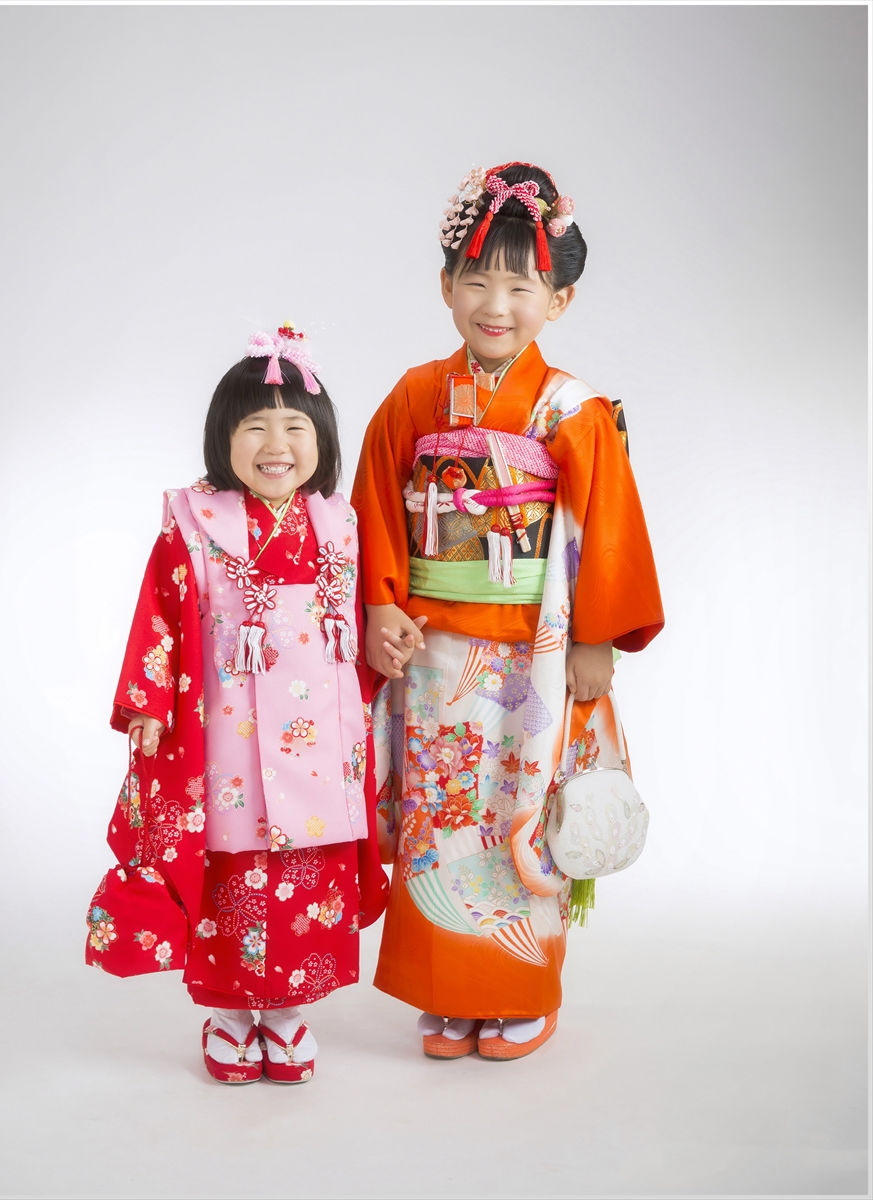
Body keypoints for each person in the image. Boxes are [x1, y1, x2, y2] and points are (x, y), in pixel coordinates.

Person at [351, 162, 664, 1061]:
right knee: (439, 818)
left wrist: (596, 638)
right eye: (476, 280)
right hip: (435, 652)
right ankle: (447, 993)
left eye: (521, 286)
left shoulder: (571, 408)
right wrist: (380, 604)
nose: (496, 304)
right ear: (445, 285)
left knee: (519, 809)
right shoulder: (415, 394)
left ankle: (518, 989)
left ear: (557, 300)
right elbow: (375, 505)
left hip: (533, 648)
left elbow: (605, 524)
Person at [85, 325, 388, 1084]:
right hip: (228, 736)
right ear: (223, 438)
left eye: (295, 428)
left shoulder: (340, 523)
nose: (276, 445)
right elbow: (159, 612)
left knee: (308, 867)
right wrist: (147, 701)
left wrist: (390, 647)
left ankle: (286, 1013)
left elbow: (362, 619)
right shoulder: (195, 524)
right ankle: (228, 1013)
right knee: (233, 868)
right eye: (254, 426)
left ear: (322, 440)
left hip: (320, 737)